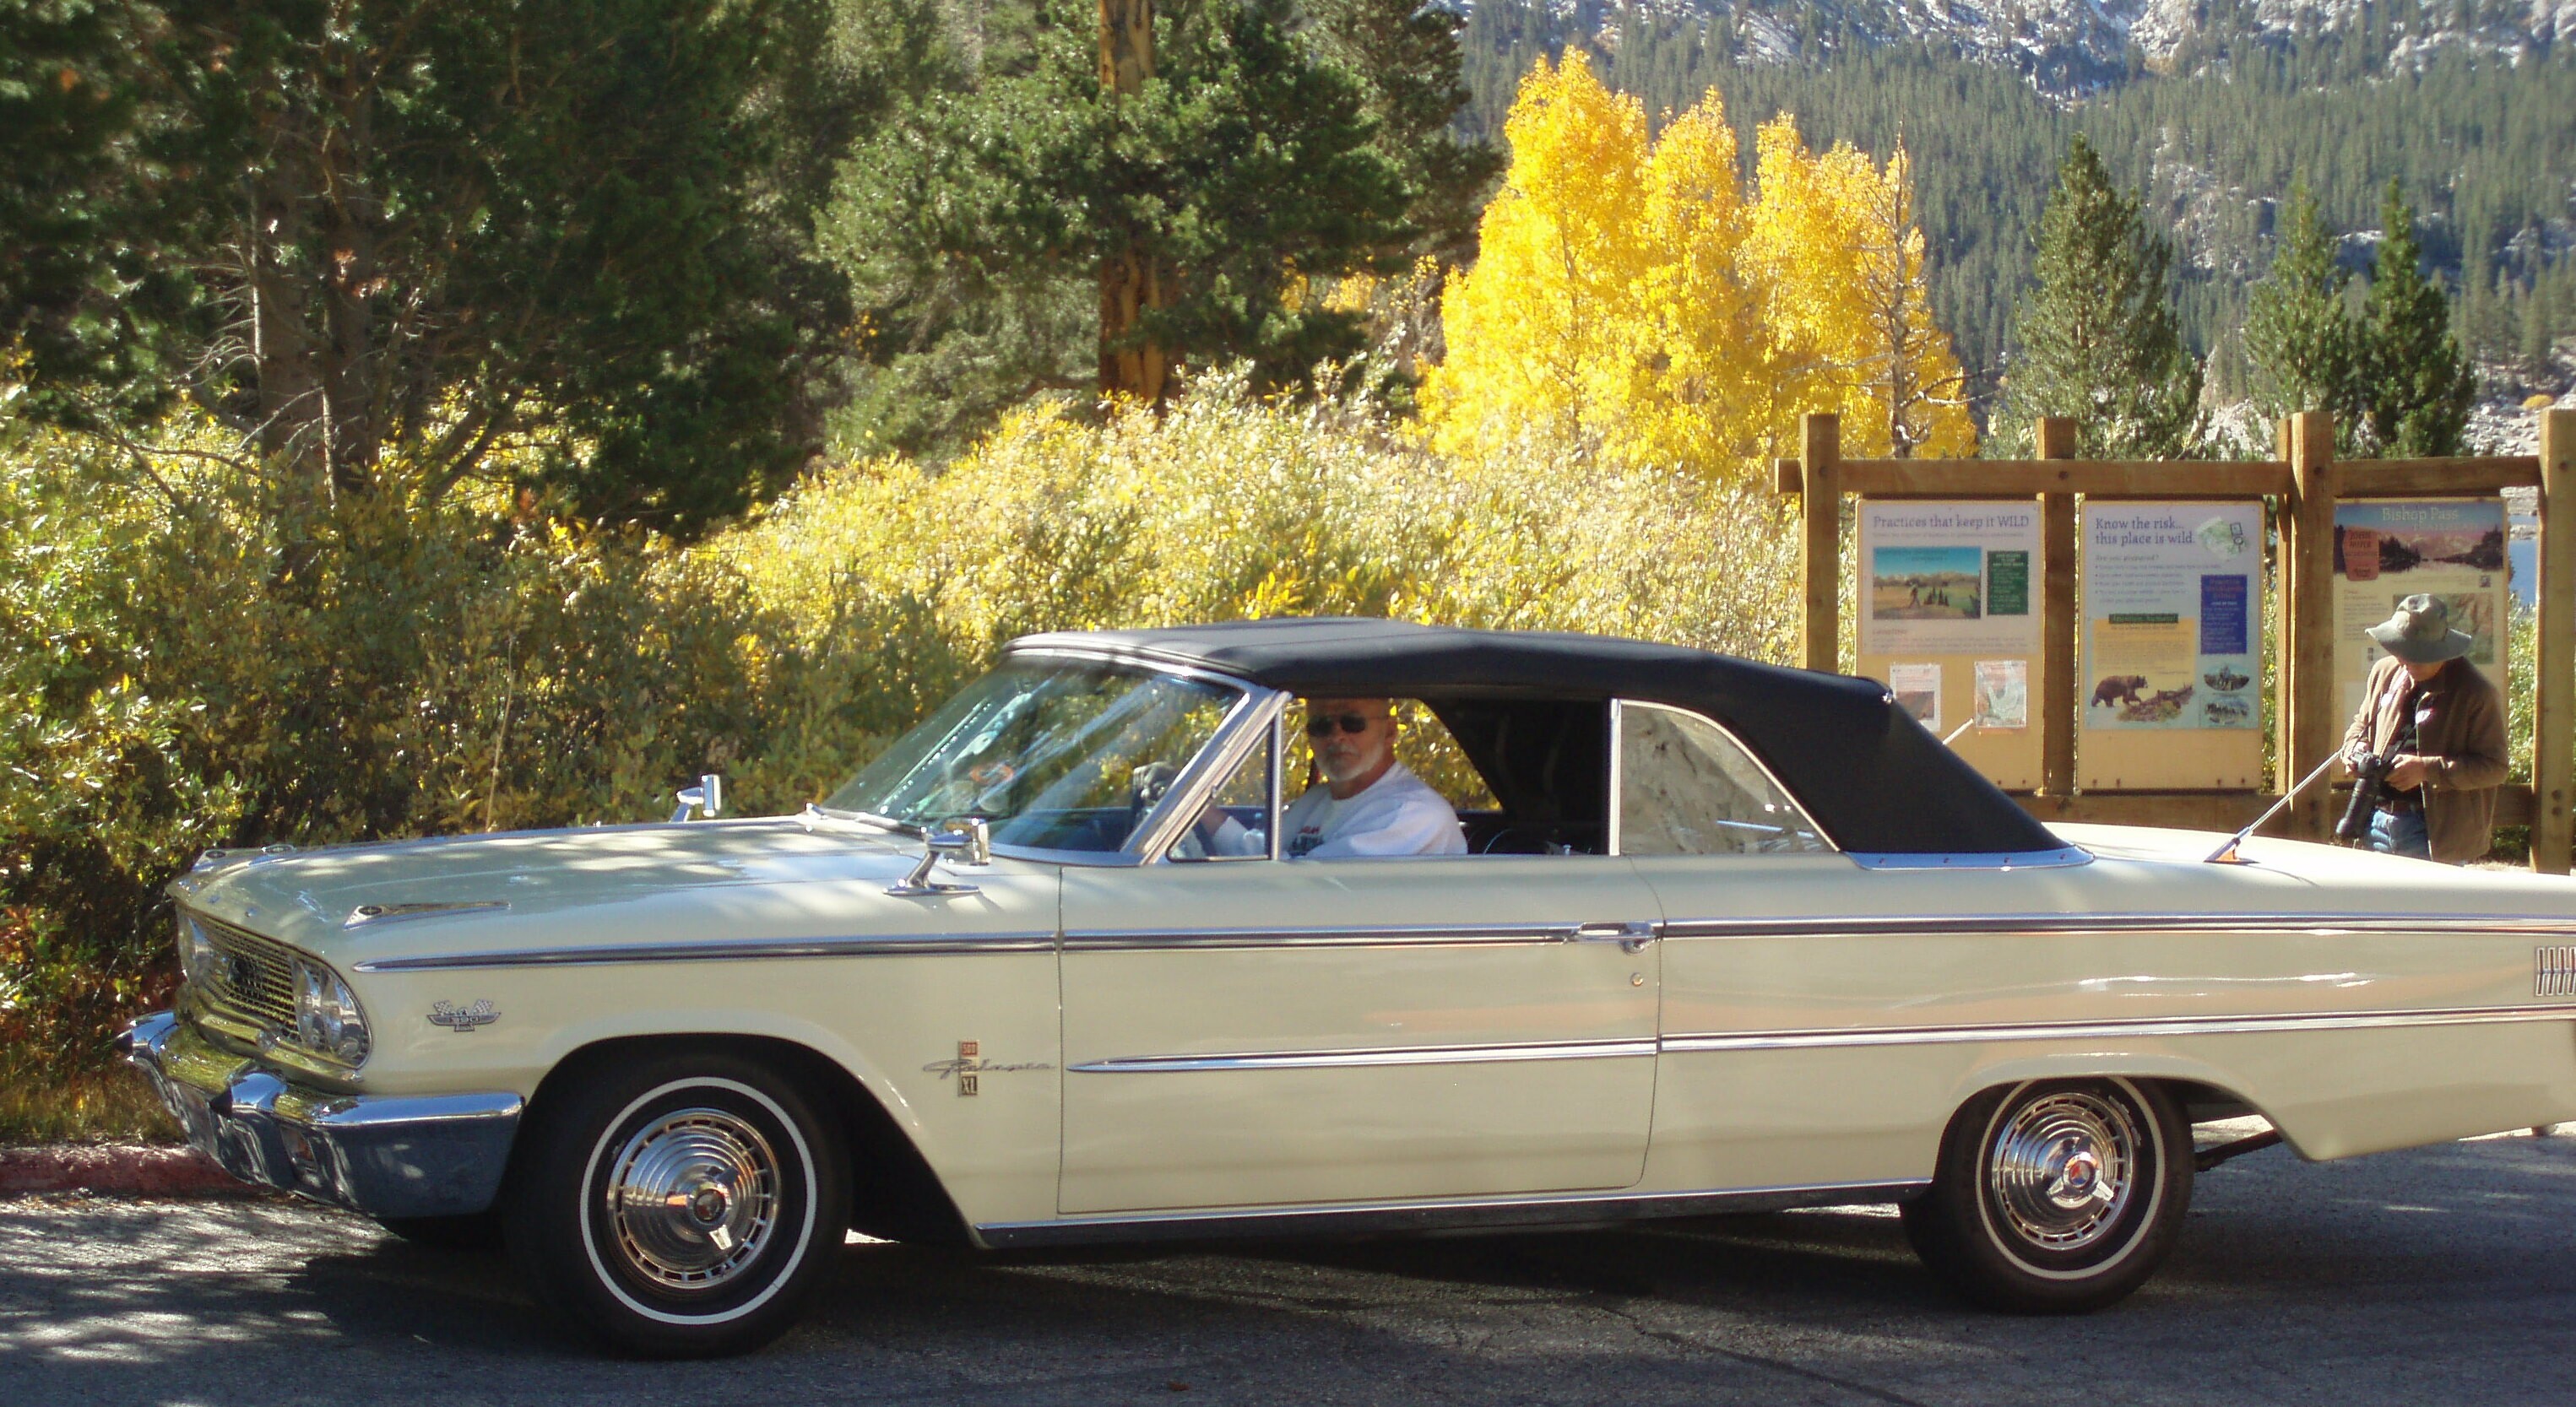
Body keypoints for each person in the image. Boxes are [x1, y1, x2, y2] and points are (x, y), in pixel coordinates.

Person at [2339, 593, 2507, 863]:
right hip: (2376, 821)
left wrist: (2426, 769)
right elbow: (2361, 724)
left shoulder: (2476, 693)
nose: (2405, 662)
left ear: (2443, 652)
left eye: (2416, 656)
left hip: (2435, 834)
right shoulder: (2386, 671)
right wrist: (2354, 750)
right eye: (2400, 651)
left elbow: (2495, 768)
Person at [1281, 696, 1466, 858]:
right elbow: (1261, 847)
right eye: (1321, 726)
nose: (1336, 736)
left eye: (1352, 723)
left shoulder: (1413, 812)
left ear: (1390, 732)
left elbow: (1316, 882)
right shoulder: (1315, 800)